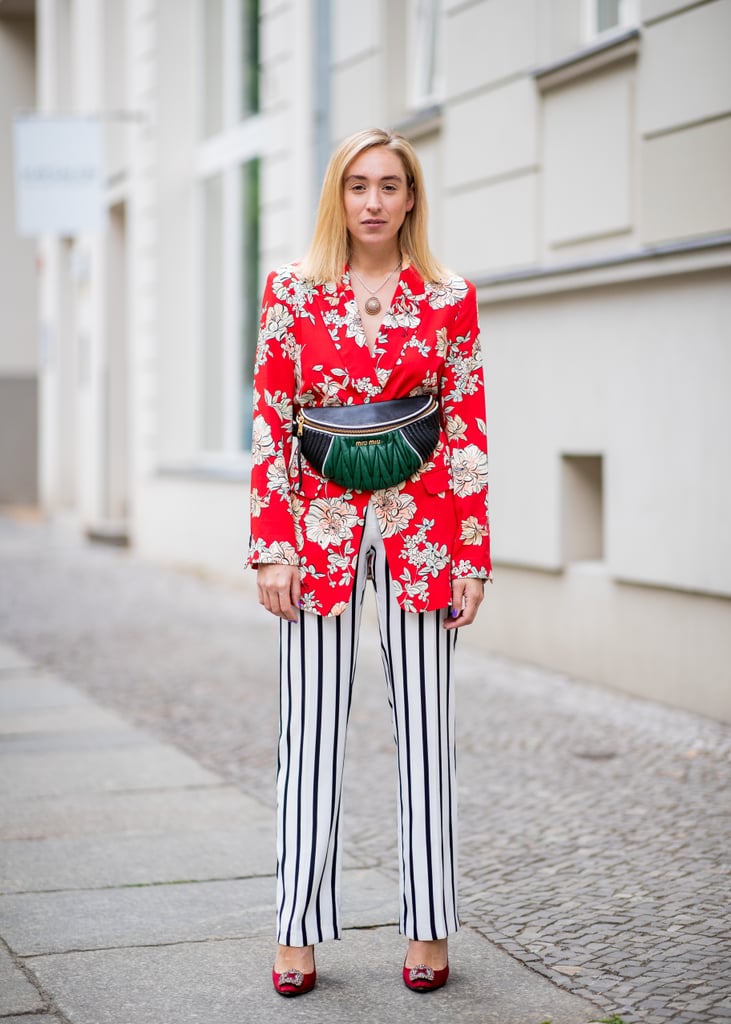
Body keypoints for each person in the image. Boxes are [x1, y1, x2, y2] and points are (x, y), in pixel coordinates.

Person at [247, 127, 491, 997]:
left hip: (423, 531)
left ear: (412, 197)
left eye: (390, 185)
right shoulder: (290, 295)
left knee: (426, 733)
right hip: (315, 533)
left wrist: (470, 555)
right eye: (358, 186)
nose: (375, 201)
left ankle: (427, 927)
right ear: (337, 198)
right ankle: (296, 930)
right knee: (307, 734)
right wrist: (272, 548)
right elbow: (271, 422)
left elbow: (465, 430)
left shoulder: (449, 297)